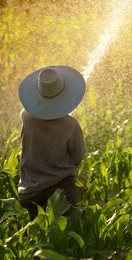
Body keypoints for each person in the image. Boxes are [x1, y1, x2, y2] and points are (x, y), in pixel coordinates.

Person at [17, 66, 86, 219]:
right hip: (61, 193)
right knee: (66, 235)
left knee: (33, 237)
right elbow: (78, 157)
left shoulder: (25, 116)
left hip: (29, 192)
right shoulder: (71, 125)